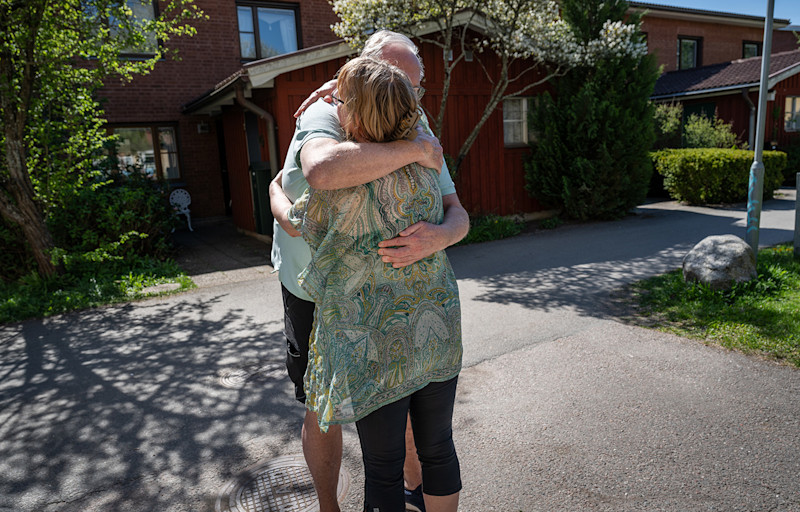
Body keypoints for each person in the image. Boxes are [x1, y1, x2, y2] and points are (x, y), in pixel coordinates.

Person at [269, 31, 469, 512]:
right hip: (418, 314)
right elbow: (322, 168)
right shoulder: (411, 152)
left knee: (381, 459)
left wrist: (276, 188)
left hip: (366, 320)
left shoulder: (361, 180)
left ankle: (406, 489)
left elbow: (297, 217)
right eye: (402, 85)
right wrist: (416, 153)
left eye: (416, 88)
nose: (412, 99)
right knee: (422, 434)